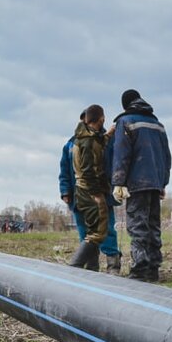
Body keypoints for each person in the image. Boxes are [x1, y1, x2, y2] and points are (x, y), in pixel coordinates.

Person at [111, 89, 171, 281]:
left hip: (137, 183)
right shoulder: (158, 125)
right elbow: (166, 157)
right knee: (153, 226)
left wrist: (119, 182)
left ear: (125, 105)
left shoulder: (125, 122)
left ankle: (140, 270)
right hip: (155, 182)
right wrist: (163, 182)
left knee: (137, 226)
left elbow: (121, 153)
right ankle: (153, 268)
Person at [60, 112, 123, 271]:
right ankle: (90, 267)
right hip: (83, 195)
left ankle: (112, 265)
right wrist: (65, 191)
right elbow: (65, 171)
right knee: (86, 232)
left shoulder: (106, 141)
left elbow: (114, 163)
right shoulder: (71, 144)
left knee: (106, 230)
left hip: (102, 194)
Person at [68, 104, 111, 271]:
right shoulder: (87, 142)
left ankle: (92, 270)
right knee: (98, 233)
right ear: (101, 119)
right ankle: (74, 267)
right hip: (89, 191)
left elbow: (97, 144)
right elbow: (88, 170)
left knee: (91, 231)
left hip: (81, 190)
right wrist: (97, 194)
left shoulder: (83, 136)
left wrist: (108, 135)